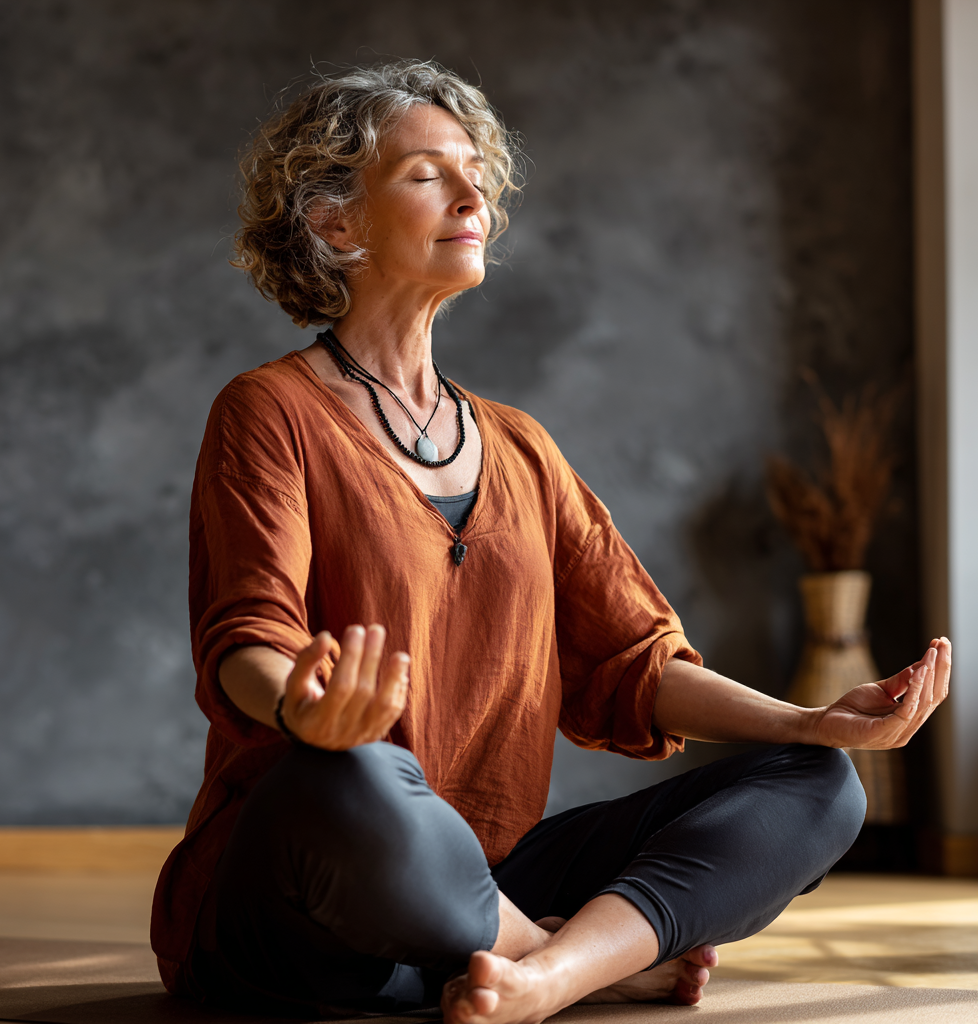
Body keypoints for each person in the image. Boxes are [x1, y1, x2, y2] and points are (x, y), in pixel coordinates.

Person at [150, 60, 951, 1024]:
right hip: (311, 894)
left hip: (481, 883)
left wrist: (807, 722)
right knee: (359, 772)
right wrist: (308, 718)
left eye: (476, 171)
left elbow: (632, 663)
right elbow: (246, 643)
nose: (471, 191)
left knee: (822, 787)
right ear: (336, 223)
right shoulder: (268, 411)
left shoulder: (521, 447)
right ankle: (575, 958)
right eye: (426, 173)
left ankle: (541, 974)